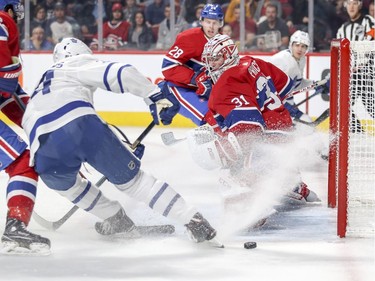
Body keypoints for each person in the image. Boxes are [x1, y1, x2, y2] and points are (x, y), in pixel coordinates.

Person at [21, 37, 217, 244]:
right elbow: (121, 73)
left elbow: (57, 128)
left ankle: (116, 220)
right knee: (135, 182)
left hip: (41, 147)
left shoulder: (40, 87)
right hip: (80, 125)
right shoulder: (72, 63)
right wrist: (154, 95)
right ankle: (194, 221)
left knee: (68, 186)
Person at [195, 34, 319, 203]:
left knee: (235, 166)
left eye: (215, 59)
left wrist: (222, 146)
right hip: (284, 126)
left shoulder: (227, 82)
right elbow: (283, 85)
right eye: (209, 60)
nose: (211, 64)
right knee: (276, 161)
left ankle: (247, 202)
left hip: (268, 136)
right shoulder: (250, 61)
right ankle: (295, 186)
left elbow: (249, 129)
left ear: (228, 55)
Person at [0, 0, 50, 253]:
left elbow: (11, 99)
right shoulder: (1, 20)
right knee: (23, 162)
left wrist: (44, 126)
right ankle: (15, 228)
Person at [161, 3, 223, 126]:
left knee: (225, 114)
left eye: (215, 23)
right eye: (208, 22)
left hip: (203, 90)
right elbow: (168, 66)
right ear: (201, 21)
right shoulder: (188, 38)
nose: (211, 26)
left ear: (220, 24)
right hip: (179, 87)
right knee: (210, 119)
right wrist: (195, 78)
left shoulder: (223, 42)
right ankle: (211, 143)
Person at [270, 30, 330, 122]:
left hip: (285, 101)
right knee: (306, 125)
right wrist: (285, 107)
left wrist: (316, 85)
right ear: (291, 45)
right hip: (272, 104)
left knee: (306, 123)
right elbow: (270, 88)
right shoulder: (284, 61)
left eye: (303, 46)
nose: (300, 49)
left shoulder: (301, 60)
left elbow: (296, 84)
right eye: (297, 45)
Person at [336, 0, 374, 132]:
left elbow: (372, 41)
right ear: (346, 6)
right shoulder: (343, 28)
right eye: (349, 4)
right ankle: (358, 132)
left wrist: (361, 61)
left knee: (370, 106)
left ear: (359, 5)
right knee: (343, 105)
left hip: (367, 71)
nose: (351, 7)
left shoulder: (368, 21)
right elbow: (340, 53)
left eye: (354, 3)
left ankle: (358, 131)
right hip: (352, 74)